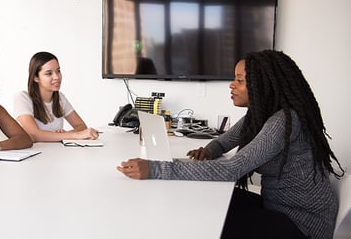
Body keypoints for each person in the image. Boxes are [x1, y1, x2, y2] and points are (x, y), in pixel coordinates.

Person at [117, 50, 345, 239]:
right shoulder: (259, 116)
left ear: (262, 85)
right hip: (277, 206)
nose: (231, 85)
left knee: (207, 221)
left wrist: (155, 169)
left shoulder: (284, 120)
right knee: (205, 201)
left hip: (301, 225)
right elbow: (225, 141)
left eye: (240, 80)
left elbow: (232, 169)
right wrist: (209, 150)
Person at [14, 51, 99, 142]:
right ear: (36, 77)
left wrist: (66, 135)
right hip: (36, 154)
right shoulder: (23, 98)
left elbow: (81, 126)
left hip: (57, 152)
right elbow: (34, 134)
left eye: (58, 71)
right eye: (49, 73)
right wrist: (73, 135)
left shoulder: (60, 98)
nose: (57, 77)